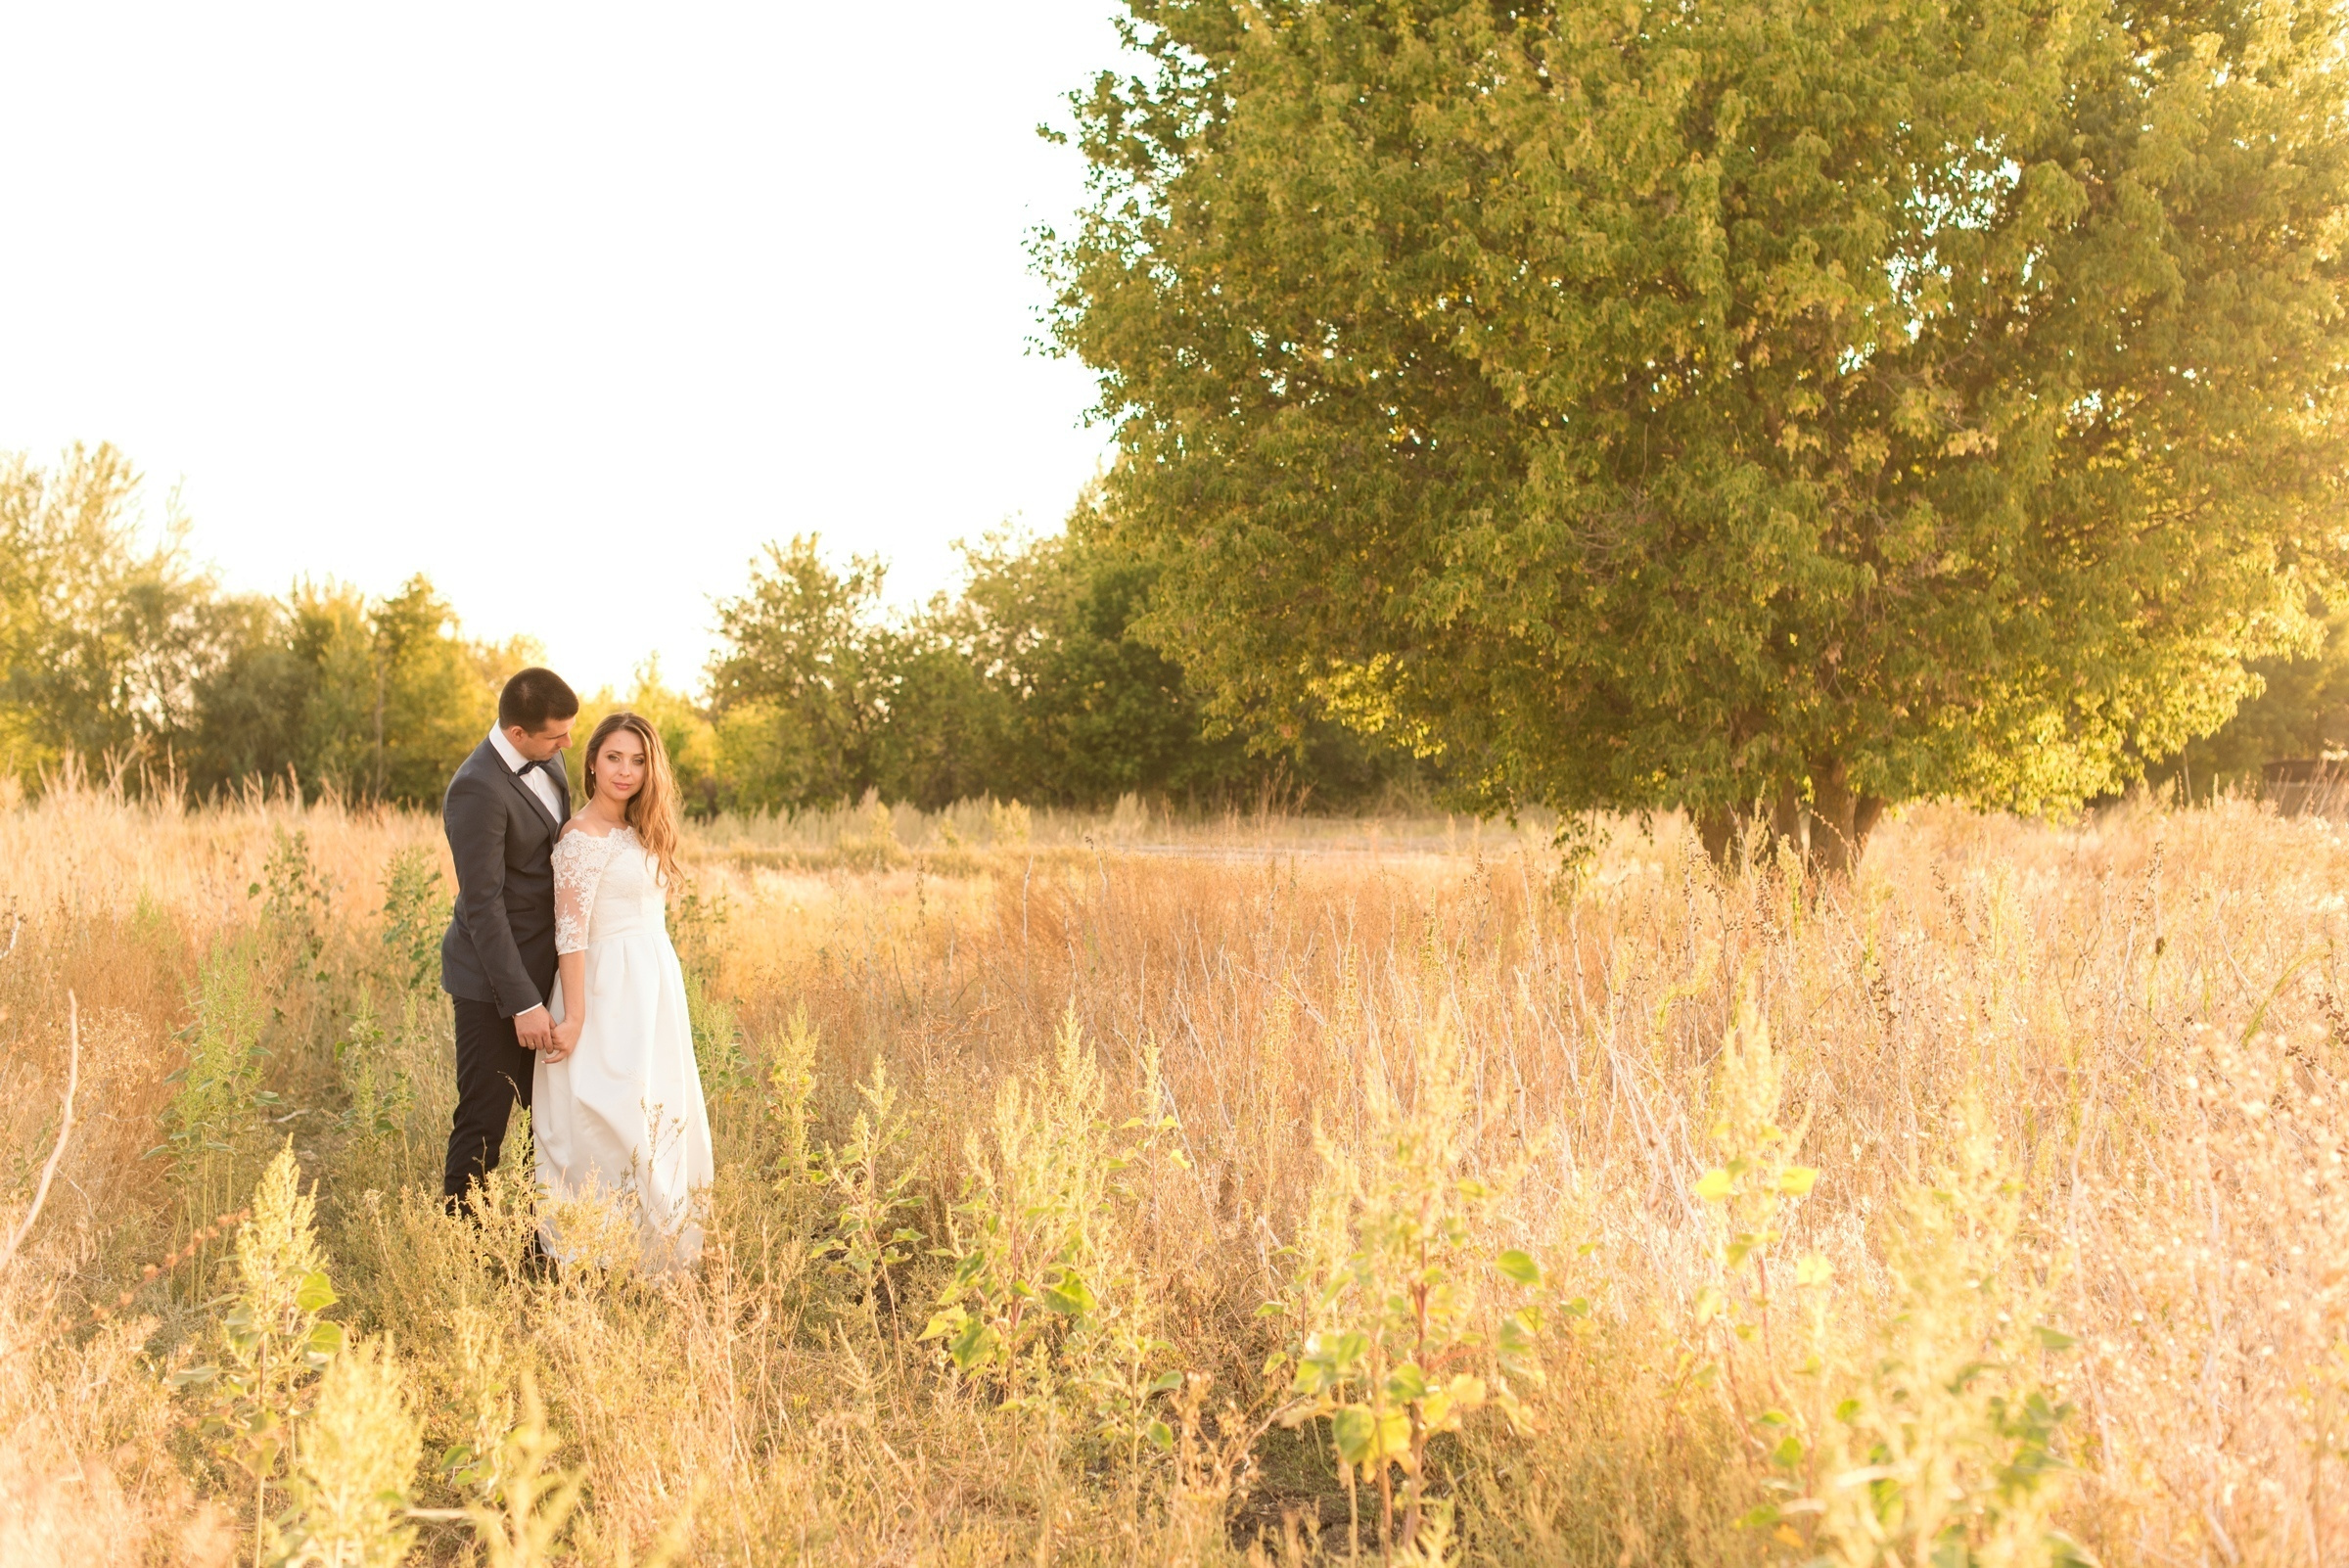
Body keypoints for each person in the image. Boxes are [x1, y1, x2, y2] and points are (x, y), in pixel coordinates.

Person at [534, 710, 714, 1271]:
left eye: (637, 761)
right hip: (604, 989)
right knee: (611, 1115)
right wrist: (577, 1016)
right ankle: (601, 1257)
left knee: (659, 1108)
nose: (625, 771)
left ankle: (658, 1251)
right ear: (591, 761)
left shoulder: (641, 829)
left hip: (654, 990)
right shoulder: (580, 837)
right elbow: (570, 934)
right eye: (614, 757)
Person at [439, 668, 579, 1214]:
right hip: (491, 984)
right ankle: (462, 1252)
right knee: (483, 1119)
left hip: (547, 971)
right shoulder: (475, 788)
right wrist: (523, 1002)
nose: (568, 744)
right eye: (555, 735)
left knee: (546, 1116)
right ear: (518, 734)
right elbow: (482, 906)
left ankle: (534, 1240)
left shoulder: (549, 754)